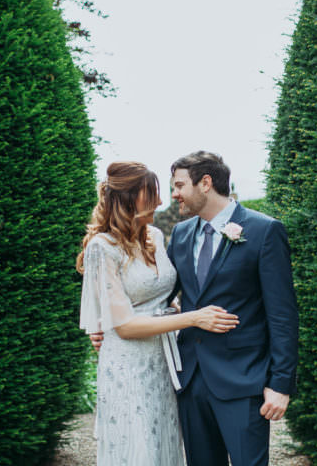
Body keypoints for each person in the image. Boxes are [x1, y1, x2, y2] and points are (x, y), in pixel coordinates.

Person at [93, 151, 299, 466]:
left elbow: (282, 315)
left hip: (243, 379)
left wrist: (280, 385)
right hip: (188, 380)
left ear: (205, 183)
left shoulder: (263, 231)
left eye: (178, 186)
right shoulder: (181, 234)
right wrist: (105, 325)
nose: (172, 195)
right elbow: (154, 291)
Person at [77, 161, 239, 466]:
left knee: (164, 442)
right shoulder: (102, 246)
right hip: (128, 365)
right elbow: (123, 325)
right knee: (140, 448)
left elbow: (163, 294)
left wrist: (180, 311)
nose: (162, 201)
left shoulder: (153, 236)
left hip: (163, 364)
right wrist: (194, 317)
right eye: (151, 194)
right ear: (129, 198)